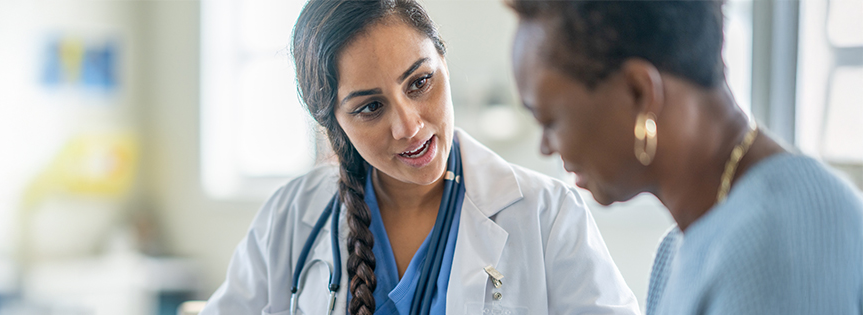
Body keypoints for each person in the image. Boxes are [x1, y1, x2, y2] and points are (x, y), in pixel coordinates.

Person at [201, 1, 639, 314]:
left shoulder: (546, 214)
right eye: (370, 107)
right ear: (334, 124)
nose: (408, 126)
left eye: (420, 82)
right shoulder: (291, 217)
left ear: (443, 62)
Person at [508, 1, 863, 314]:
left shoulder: (784, 236)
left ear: (640, 93)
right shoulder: (677, 248)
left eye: (550, 121)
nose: (546, 147)